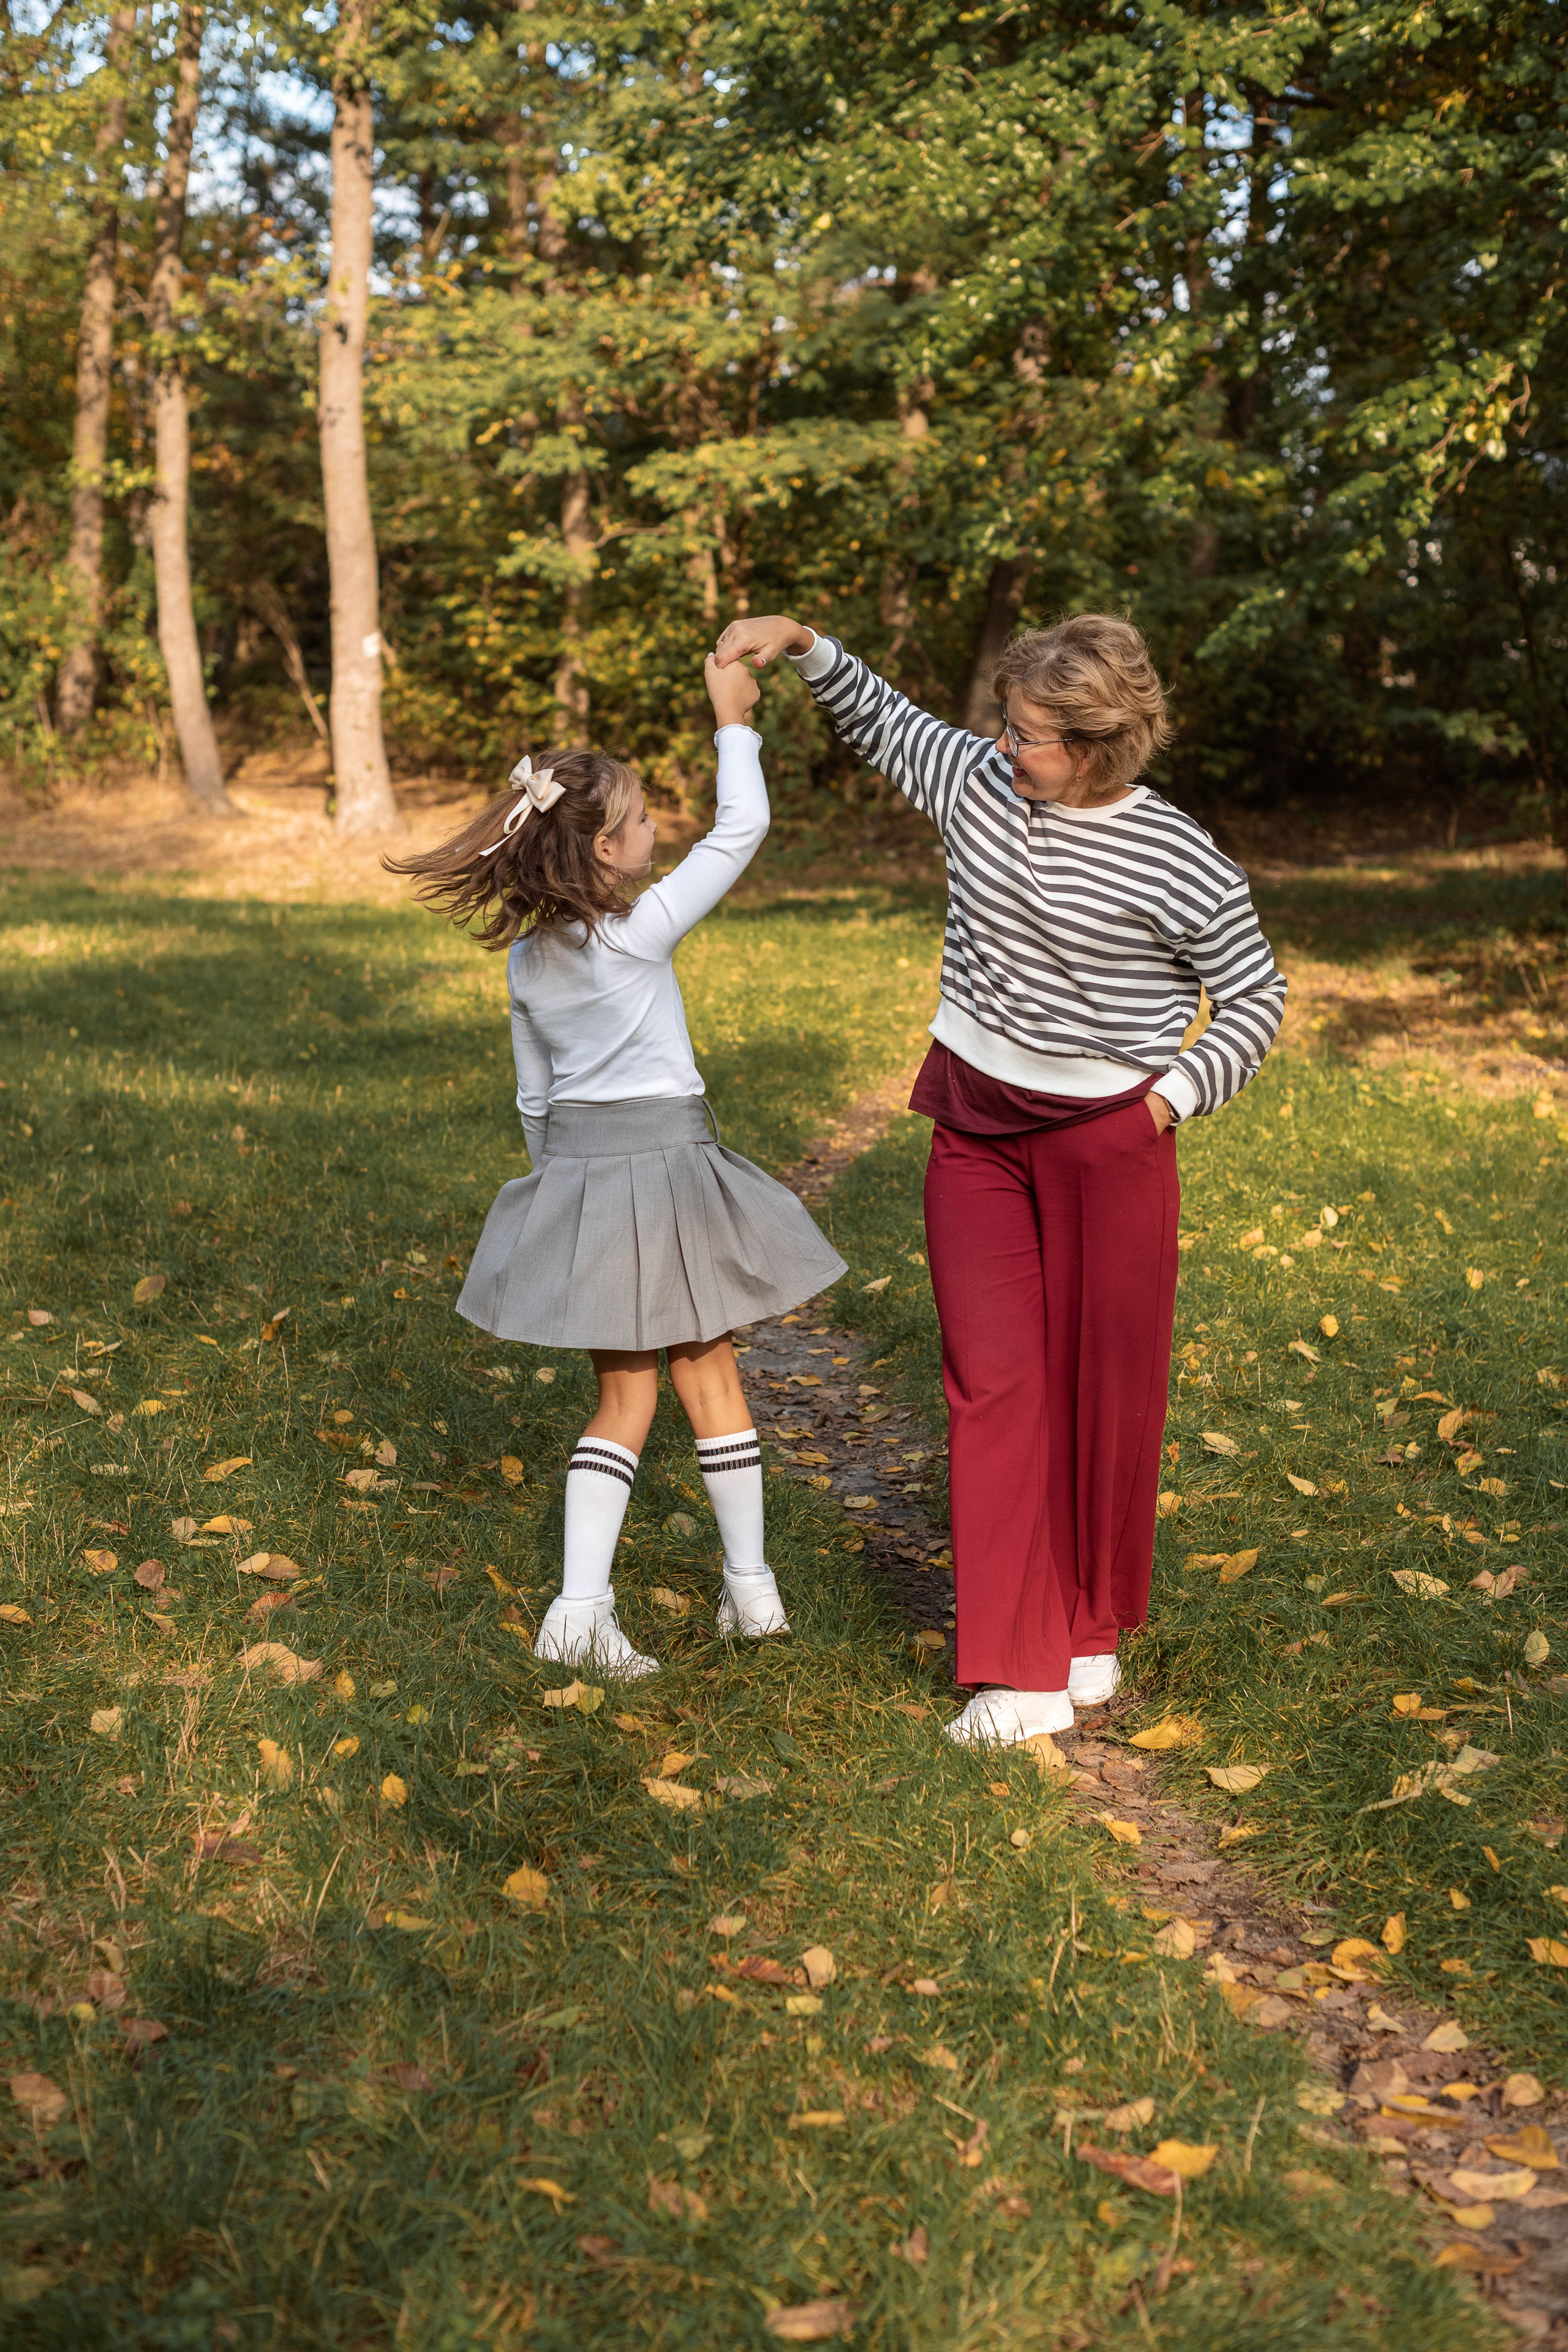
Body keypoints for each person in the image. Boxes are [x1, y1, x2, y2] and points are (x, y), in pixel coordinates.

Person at [714, 611, 1286, 1744]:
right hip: (973, 1125)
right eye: (1005, 726)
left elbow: (1258, 997)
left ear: (1096, 745)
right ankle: (1018, 1672)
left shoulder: (1175, 854)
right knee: (993, 1384)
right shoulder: (979, 785)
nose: (1003, 749)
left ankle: (1085, 1630)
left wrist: (1168, 1100)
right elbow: (883, 722)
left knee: (1105, 1394)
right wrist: (806, 644)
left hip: (1109, 1143)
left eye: (1029, 737)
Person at [386, 653, 846, 1679]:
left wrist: (564, 1193)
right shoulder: (639, 934)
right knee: (711, 1380)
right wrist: (736, 725)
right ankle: (709, 1604)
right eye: (642, 823)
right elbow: (743, 832)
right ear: (604, 848)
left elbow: (534, 1101)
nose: (657, 834)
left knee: (629, 1398)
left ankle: (621, 1609)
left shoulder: (528, 958)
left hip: (588, 1178)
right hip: (672, 1172)